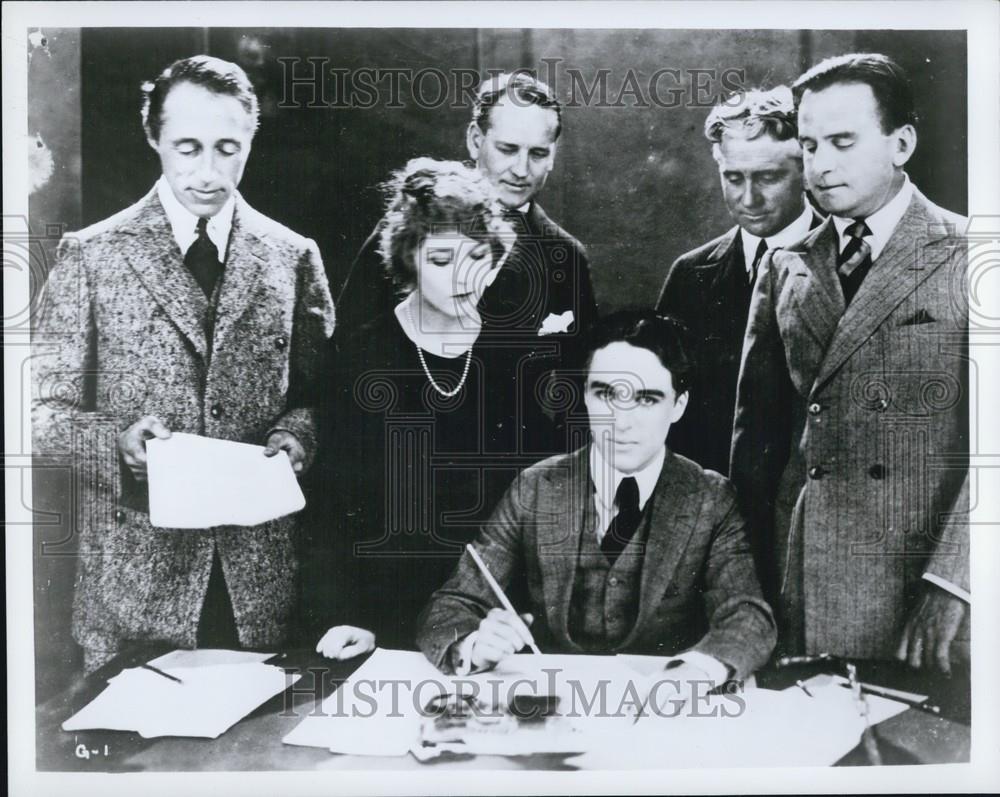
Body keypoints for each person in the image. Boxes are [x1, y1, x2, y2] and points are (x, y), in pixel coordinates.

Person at [31, 55, 341, 673]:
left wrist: (296, 435)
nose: (207, 171)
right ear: (154, 138)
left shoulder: (292, 257)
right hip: (132, 594)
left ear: (251, 139)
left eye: (228, 148)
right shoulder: (90, 256)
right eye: (187, 147)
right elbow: (33, 413)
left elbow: (324, 396)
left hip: (261, 585)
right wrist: (113, 443)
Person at [730, 53, 969, 671]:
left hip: (924, 589)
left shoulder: (973, 254)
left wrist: (955, 584)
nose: (821, 164)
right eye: (809, 145)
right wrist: (742, 585)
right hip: (805, 582)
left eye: (842, 141)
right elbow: (754, 449)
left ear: (902, 143)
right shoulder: (787, 265)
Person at [417, 310, 776, 699]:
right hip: (551, 711)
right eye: (606, 394)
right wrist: (472, 645)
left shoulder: (711, 498)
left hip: (659, 720)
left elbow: (748, 616)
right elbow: (450, 605)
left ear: (679, 405)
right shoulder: (536, 487)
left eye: (646, 399)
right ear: (585, 393)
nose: (621, 422)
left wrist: (697, 671)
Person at [305, 158, 528, 651]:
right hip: (378, 614)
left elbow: (529, 511)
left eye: (476, 258)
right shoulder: (362, 356)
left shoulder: (514, 357)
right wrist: (350, 616)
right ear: (409, 259)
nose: (461, 279)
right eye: (441, 262)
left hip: (483, 616)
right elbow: (332, 508)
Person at [336, 72, 598, 431]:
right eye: (507, 149)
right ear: (476, 141)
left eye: (538, 154)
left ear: (553, 156)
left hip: (515, 470)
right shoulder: (410, 227)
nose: (521, 170)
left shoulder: (566, 256)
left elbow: (583, 391)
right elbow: (346, 349)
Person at [655, 87, 823, 476]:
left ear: (806, 172)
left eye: (768, 177)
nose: (749, 199)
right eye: (733, 178)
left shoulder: (845, 262)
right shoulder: (689, 275)